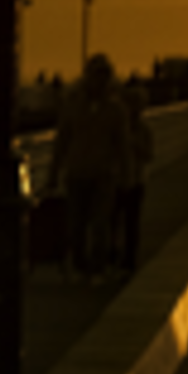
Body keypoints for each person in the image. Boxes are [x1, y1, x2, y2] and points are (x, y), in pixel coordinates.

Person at [53, 56, 146, 281]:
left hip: (104, 175)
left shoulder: (116, 110)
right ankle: (80, 265)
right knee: (75, 224)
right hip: (76, 173)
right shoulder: (73, 106)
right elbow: (62, 141)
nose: (100, 81)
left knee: (100, 225)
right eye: (96, 75)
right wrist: (53, 172)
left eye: (104, 76)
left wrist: (127, 176)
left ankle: (97, 267)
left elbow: (123, 146)